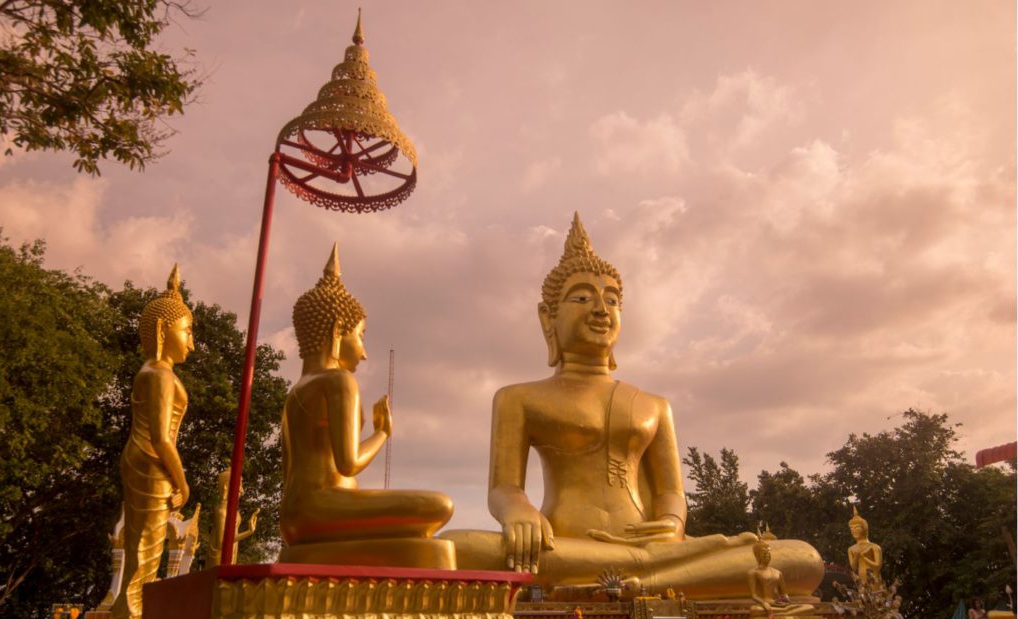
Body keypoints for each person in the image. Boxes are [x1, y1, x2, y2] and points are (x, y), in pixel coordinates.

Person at [444, 214, 824, 598]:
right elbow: (504, 488)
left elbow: (670, 493)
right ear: (548, 318)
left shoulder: (653, 405)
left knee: (802, 557)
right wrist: (518, 511)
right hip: (564, 547)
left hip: (656, 549)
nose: (600, 309)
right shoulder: (519, 397)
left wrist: (673, 523)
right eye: (581, 297)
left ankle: (647, 580)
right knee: (455, 549)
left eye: (611, 299)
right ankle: (655, 578)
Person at [278, 245, 454, 567]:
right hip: (326, 506)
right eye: (361, 336)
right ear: (336, 332)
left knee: (424, 543)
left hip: (293, 516)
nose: (364, 352)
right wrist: (382, 433)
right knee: (440, 506)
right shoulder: (338, 382)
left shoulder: (295, 392)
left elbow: (287, 472)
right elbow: (348, 464)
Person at [103, 265, 194, 619]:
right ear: (162, 332)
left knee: (149, 557)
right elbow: (160, 437)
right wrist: (182, 480)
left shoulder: (160, 374)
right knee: (142, 557)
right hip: (151, 463)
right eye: (187, 331)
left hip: (147, 464)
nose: (191, 342)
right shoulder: (157, 374)